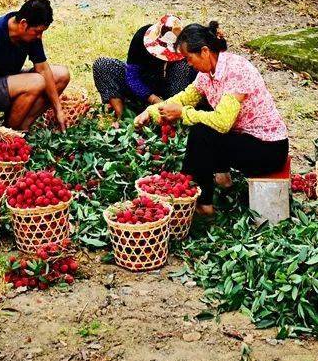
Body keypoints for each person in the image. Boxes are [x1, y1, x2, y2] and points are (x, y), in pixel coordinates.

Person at [135, 21, 288, 214]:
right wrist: (152, 111)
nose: (188, 64)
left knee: (202, 131)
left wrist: (183, 114)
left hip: (268, 150)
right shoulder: (207, 74)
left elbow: (223, 123)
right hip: (244, 139)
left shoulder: (237, 71)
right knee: (204, 119)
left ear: (205, 51)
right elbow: (185, 98)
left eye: (189, 58)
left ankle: (203, 204)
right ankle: (197, 184)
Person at [0, 0, 70, 132]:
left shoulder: (30, 34)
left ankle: (23, 127)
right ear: (23, 24)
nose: (39, 37)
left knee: (61, 75)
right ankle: (9, 131)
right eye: (38, 31)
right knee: (37, 81)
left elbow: (43, 69)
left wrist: (58, 110)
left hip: (7, 82)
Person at [92, 15, 195, 118]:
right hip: (143, 83)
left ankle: (170, 116)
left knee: (182, 67)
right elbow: (132, 76)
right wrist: (153, 99)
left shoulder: (187, 48)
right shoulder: (141, 36)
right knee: (102, 65)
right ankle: (121, 117)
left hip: (170, 89)